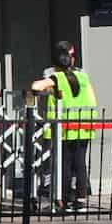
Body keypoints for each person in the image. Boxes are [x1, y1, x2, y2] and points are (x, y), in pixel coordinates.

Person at [32, 41, 97, 210]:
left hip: (66, 127)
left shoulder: (56, 77)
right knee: (80, 163)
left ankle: (65, 198)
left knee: (65, 164)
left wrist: (44, 88)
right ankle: (81, 200)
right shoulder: (83, 77)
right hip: (84, 125)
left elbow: (36, 86)